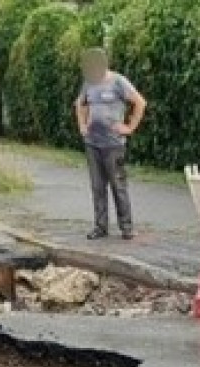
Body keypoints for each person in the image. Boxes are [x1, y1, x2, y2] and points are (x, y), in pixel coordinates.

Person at [74, 48, 145, 240]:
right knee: (97, 187)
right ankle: (100, 227)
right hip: (92, 143)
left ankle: (127, 227)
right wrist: (82, 125)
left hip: (113, 144)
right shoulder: (88, 83)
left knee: (118, 185)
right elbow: (80, 104)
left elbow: (140, 102)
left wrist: (129, 127)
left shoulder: (118, 82)